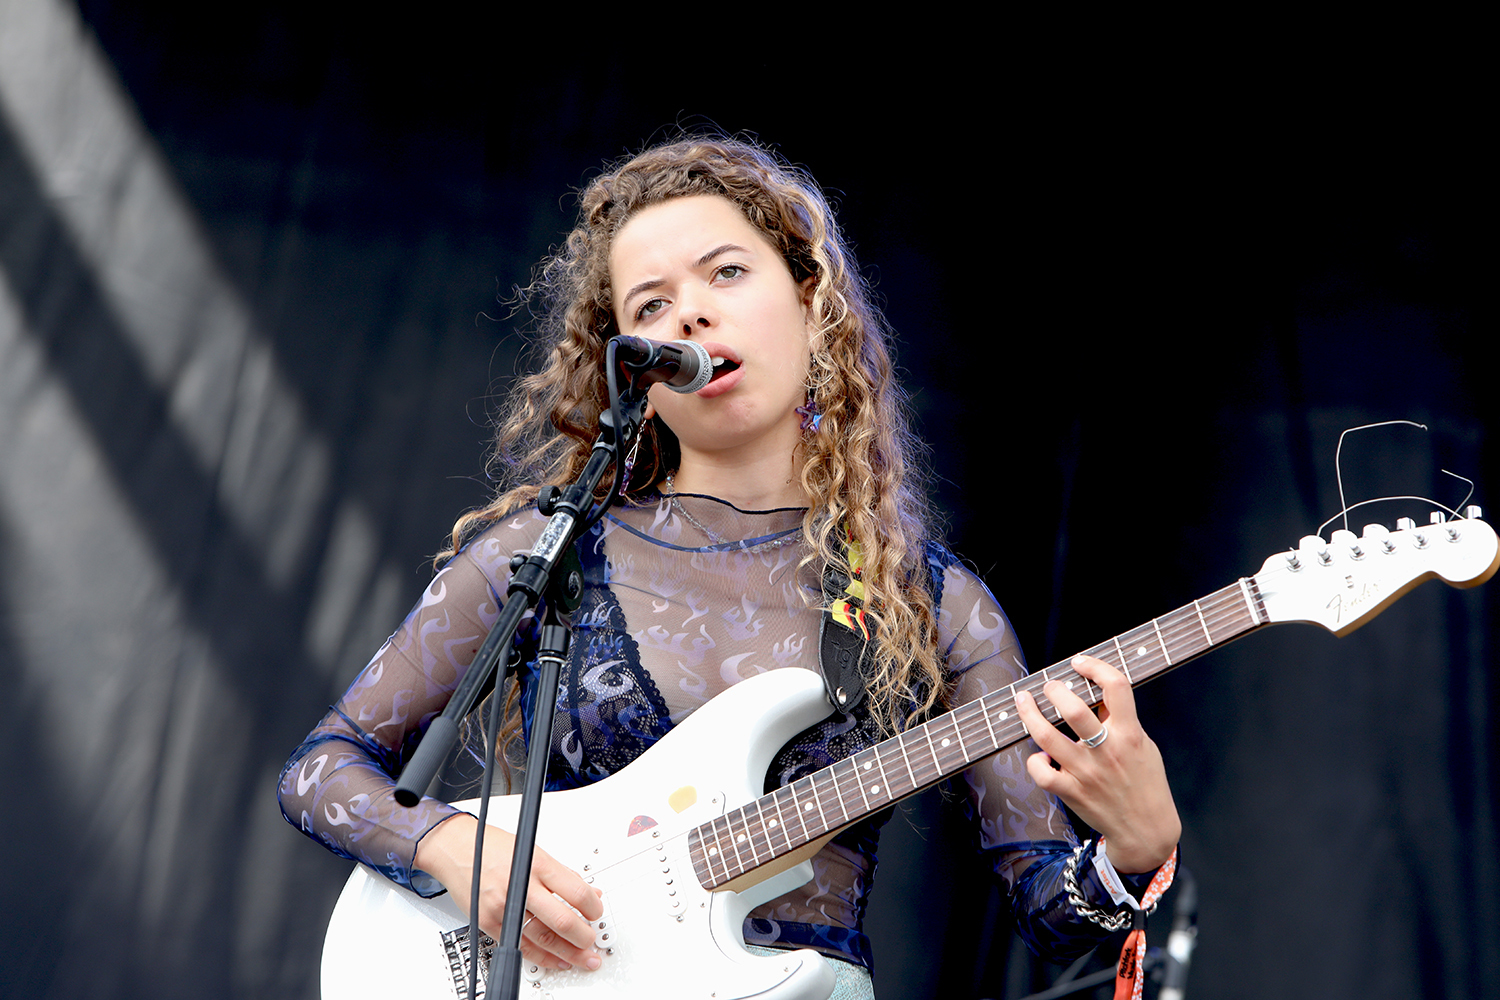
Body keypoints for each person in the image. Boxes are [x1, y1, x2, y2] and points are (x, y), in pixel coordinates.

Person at [279, 135, 1181, 999]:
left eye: (727, 272)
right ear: (636, 367)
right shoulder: (545, 550)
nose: (690, 314)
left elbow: (1048, 913)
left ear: (808, 298)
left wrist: (1132, 852)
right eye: (649, 306)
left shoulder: (929, 600)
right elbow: (323, 769)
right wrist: (446, 844)